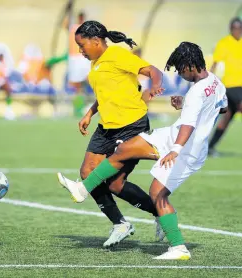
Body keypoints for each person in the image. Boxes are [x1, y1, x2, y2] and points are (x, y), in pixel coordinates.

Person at [57, 42, 228, 260]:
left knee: (158, 193)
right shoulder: (214, 81)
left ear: (189, 65)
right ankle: (82, 189)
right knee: (125, 149)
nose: (179, 73)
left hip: (186, 149)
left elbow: (189, 126)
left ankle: (178, 248)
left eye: (179, 68)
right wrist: (186, 104)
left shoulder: (196, 92)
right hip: (172, 135)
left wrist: (176, 150)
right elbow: (220, 107)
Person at [57, 20, 165, 247]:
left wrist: (155, 85)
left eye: (82, 45)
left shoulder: (117, 55)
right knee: (87, 172)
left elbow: (152, 70)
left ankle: (161, 213)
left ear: (96, 41)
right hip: (106, 126)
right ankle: (120, 224)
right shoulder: (95, 64)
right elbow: (107, 92)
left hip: (131, 126)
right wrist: (89, 113)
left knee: (116, 184)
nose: (80, 50)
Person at [208, 17, 242, 156]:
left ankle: (210, 147)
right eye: (234, 28)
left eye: (239, 28)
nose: (237, 31)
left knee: (227, 116)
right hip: (230, 85)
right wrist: (209, 80)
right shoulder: (224, 43)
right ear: (230, 29)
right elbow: (216, 63)